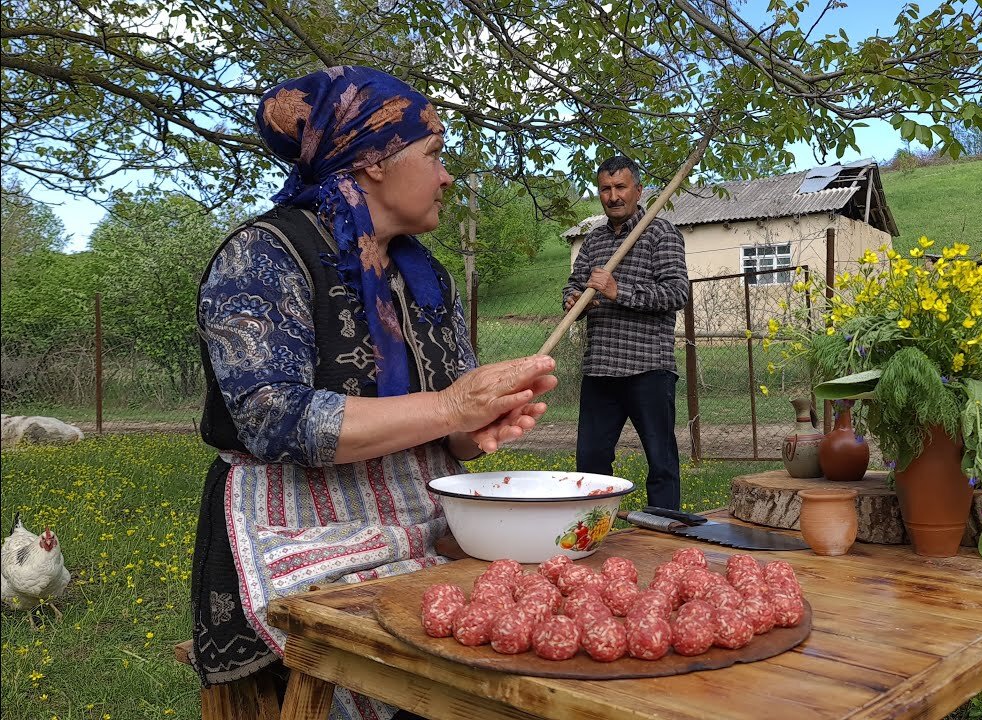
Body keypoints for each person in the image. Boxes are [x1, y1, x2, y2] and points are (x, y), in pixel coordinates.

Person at [190, 66, 556, 719]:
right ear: (375, 161)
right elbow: (274, 421)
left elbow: (453, 432)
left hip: (425, 520)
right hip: (300, 527)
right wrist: (450, 407)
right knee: (433, 679)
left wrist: (478, 421)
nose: (448, 175)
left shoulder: (424, 273)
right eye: (435, 153)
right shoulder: (264, 254)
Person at [562, 156, 689, 510]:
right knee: (590, 463)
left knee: (661, 461)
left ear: (638, 190)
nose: (613, 196)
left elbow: (677, 294)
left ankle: (664, 530)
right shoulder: (594, 241)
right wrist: (575, 301)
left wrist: (619, 292)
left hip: (648, 367)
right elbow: (572, 287)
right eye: (606, 188)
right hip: (600, 368)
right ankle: (591, 532)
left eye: (621, 187)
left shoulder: (660, 233)